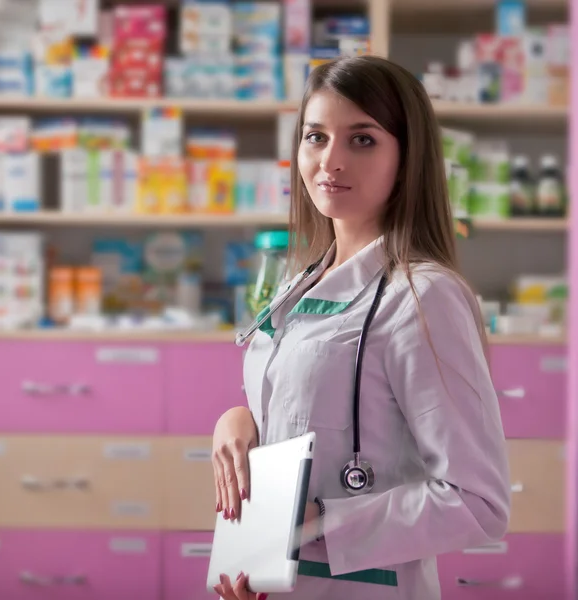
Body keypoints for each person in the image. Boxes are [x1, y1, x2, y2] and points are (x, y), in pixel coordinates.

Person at [211, 55, 511, 600]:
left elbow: (478, 501)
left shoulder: (423, 297)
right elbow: (304, 410)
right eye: (315, 137)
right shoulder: (299, 282)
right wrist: (237, 419)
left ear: (407, 157)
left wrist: (318, 521)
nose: (331, 161)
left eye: (363, 140)